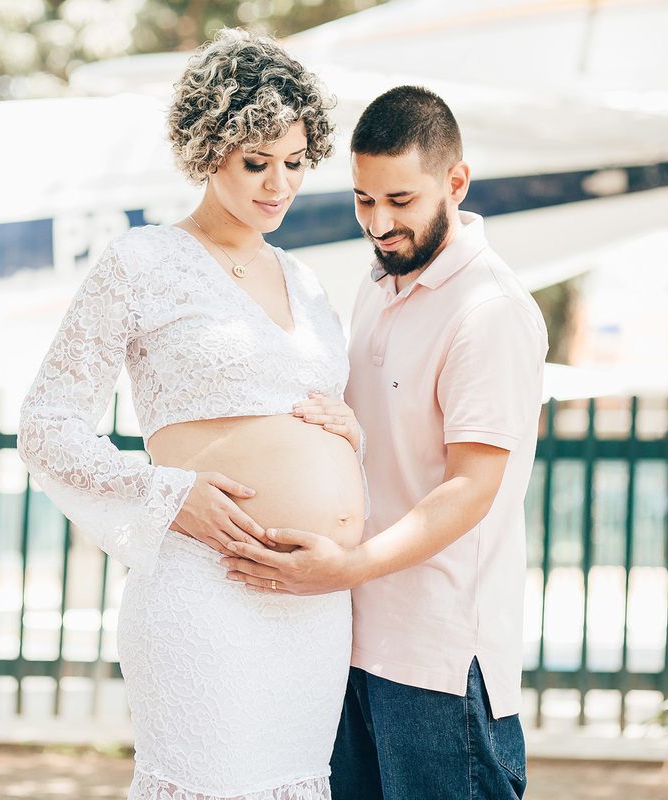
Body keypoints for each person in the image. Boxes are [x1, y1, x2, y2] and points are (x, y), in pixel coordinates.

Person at [17, 30, 365, 800]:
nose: (279, 185)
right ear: (210, 148)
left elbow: (306, 415)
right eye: (256, 162)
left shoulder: (306, 281)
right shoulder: (141, 262)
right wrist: (166, 494)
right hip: (206, 594)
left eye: (296, 164)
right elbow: (46, 424)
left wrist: (349, 435)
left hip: (311, 613)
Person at [223, 85, 549, 800]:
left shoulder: (489, 312)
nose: (379, 223)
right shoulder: (380, 283)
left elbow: (470, 488)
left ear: (454, 183)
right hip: (353, 643)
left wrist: (346, 566)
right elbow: (401, 443)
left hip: (440, 666)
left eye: (401, 201)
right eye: (364, 200)